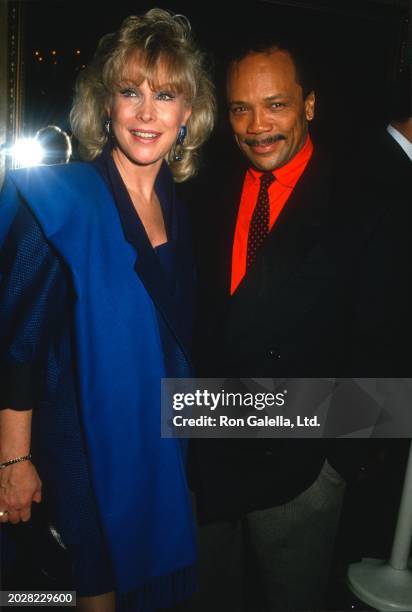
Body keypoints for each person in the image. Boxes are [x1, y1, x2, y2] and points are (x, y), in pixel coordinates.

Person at [0, 8, 214, 612]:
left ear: (187, 114)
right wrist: (13, 459)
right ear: (107, 104)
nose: (147, 114)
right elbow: (19, 340)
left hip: (159, 441)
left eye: (165, 95)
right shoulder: (63, 201)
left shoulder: (181, 209)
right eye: (130, 92)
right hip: (80, 447)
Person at [188, 38, 365, 611]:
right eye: (241, 108)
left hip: (300, 469)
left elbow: (389, 342)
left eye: (276, 105)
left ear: (308, 105)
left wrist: (337, 464)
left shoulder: (365, 202)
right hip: (210, 450)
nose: (256, 126)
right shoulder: (205, 189)